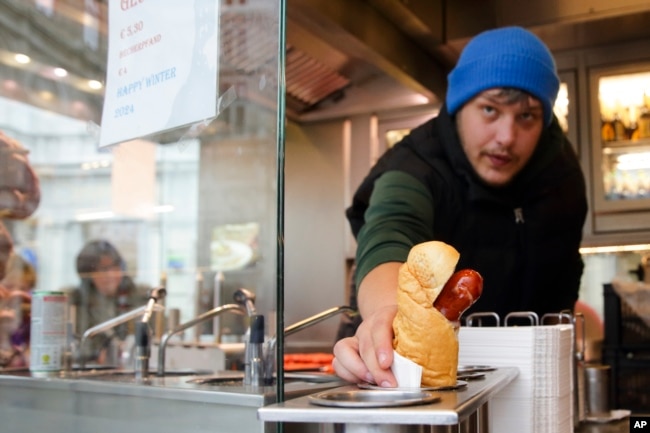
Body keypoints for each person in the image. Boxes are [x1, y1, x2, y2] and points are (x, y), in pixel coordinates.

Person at [332, 26, 588, 387]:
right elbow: (388, 235)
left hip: (529, 373)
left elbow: (564, 267)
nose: (506, 137)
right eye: (489, 109)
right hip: (413, 370)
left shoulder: (561, 174)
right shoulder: (416, 163)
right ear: (458, 106)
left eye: (527, 116)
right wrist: (389, 313)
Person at [67, 240, 150, 363]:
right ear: (88, 275)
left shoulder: (141, 297)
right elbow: (75, 346)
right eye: (103, 269)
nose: (111, 274)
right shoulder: (76, 301)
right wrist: (94, 356)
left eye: (115, 266)